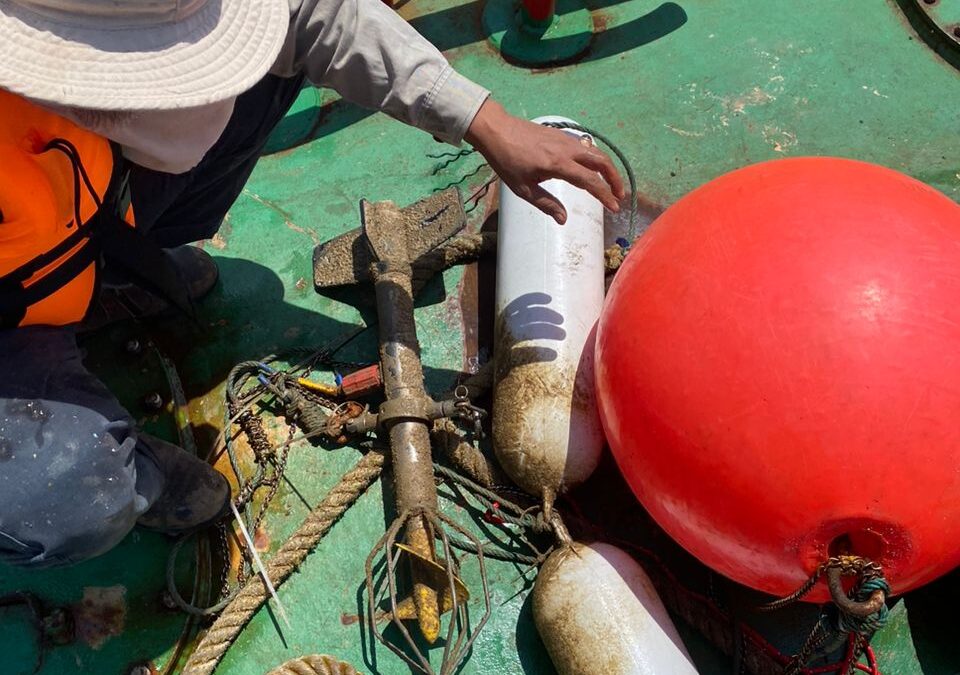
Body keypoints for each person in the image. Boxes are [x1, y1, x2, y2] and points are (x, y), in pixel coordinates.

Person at [0, 0, 624, 568]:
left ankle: (101, 275)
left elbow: (310, 11)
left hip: (68, 197)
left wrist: (481, 119)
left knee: (265, 63)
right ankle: (127, 476)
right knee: (65, 492)